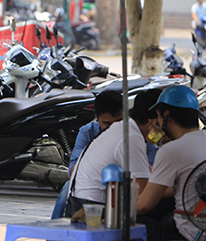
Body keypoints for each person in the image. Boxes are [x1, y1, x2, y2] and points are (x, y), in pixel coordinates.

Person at [65, 90, 161, 216]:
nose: (163, 130)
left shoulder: (128, 132)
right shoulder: (130, 136)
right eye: (163, 122)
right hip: (93, 212)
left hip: (86, 206)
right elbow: (143, 194)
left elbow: (148, 173)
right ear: (152, 123)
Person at [137, 85, 206, 241]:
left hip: (188, 237)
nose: (158, 122)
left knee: (132, 222)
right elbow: (172, 188)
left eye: (158, 116)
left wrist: (115, 210)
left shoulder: (171, 151)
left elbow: (143, 206)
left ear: (166, 115)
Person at [51, 90, 124, 219]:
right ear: (97, 117)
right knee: (67, 188)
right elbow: (73, 171)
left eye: (117, 122)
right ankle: (55, 232)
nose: (112, 129)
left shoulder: (132, 134)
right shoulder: (87, 132)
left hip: (121, 184)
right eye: (106, 124)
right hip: (90, 183)